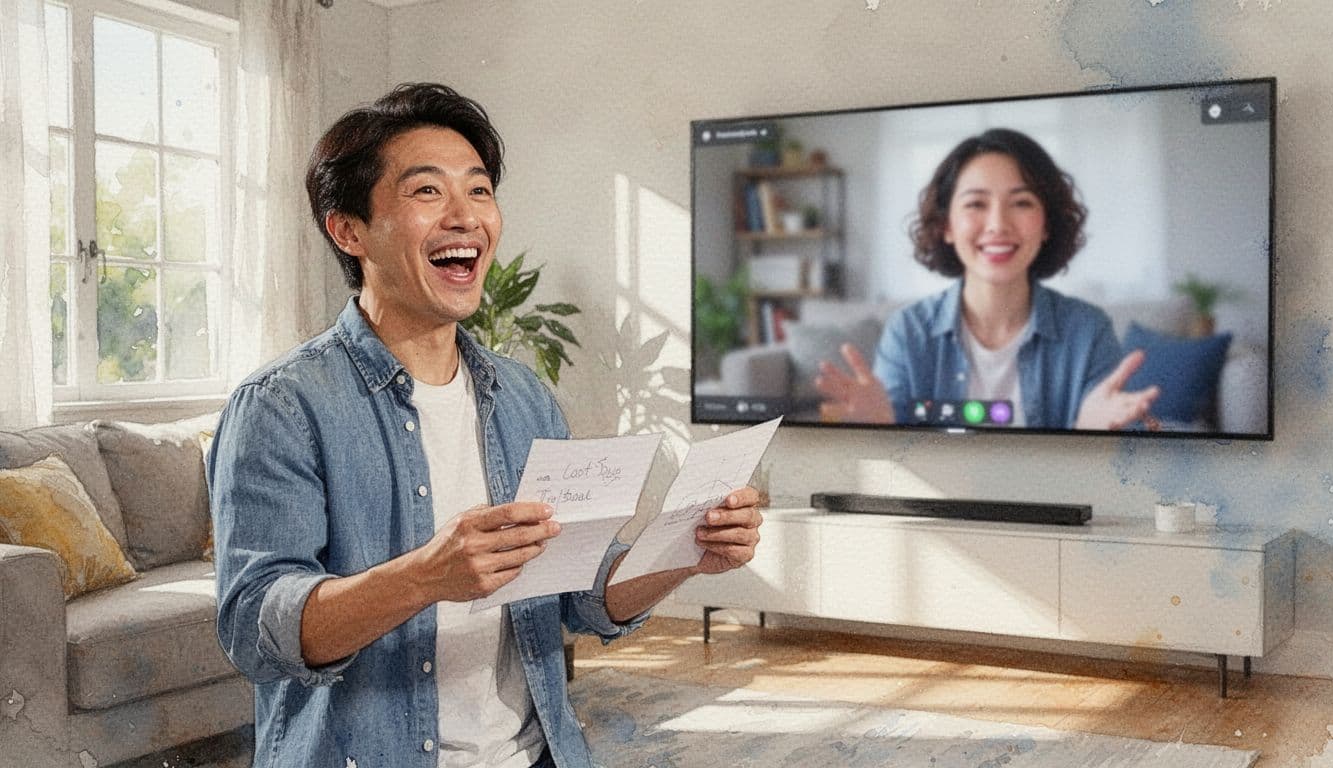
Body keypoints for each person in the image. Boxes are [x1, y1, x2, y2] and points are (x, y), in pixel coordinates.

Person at [208, 83, 764, 768]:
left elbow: (579, 596)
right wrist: (424, 577)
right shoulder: (282, 405)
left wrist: (684, 553)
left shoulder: (523, 397)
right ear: (349, 230)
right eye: (426, 193)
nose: (465, 217)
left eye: (478, 190)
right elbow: (253, 628)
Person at [815, 128, 1160, 431]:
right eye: (976, 204)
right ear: (946, 226)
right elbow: (894, 472)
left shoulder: (1089, 331)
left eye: (1021, 202)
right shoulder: (908, 332)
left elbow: (1108, 472)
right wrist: (879, 431)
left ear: (1047, 225)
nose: (997, 224)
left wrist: (1094, 437)